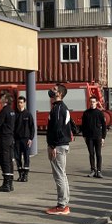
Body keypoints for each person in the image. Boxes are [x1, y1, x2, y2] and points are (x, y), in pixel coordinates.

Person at [45, 83, 72, 215]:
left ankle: (62, 205)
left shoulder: (58, 108)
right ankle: (64, 203)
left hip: (58, 146)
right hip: (62, 144)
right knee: (62, 174)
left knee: (59, 176)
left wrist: (52, 145)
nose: (51, 90)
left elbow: (57, 128)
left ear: (59, 94)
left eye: (54, 89)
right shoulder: (61, 107)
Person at [0, 91, 16, 192]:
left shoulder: (4, 111)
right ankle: (10, 183)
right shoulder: (11, 111)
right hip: (10, 138)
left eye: (2, 97)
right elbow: (2, 120)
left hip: (4, 138)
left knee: (4, 160)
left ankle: (6, 184)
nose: (0, 98)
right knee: (9, 160)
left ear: (5, 100)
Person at [81, 95, 107, 178]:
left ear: (96, 102)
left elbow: (104, 126)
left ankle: (99, 171)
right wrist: (84, 136)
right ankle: (93, 170)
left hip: (98, 136)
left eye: (93, 102)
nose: (92, 103)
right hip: (89, 137)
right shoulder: (86, 113)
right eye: (91, 102)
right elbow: (83, 126)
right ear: (89, 102)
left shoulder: (100, 113)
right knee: (91, 154)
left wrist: (103, 138)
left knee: (98, 154)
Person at [14, 95, 35, 183]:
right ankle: (20, 174)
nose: (20, 104)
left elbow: (32, 127)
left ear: (24, 103)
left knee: (26, 157)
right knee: (17, 157)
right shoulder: (15, 114)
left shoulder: (28, 114)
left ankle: (25, 175)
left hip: (26, 139)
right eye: (18, 102)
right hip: (17, 139)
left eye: (21, 102)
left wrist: (31, 138)